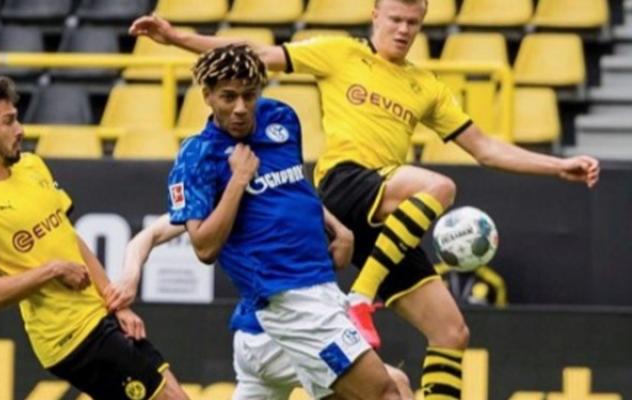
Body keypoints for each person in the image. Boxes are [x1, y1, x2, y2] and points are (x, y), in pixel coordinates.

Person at [129, 1, 601, 398]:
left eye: (413, 22)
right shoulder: (341, 53)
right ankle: (360, 296)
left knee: (451, 332)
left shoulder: (426, 87)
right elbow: (254, 55)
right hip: (346, 184)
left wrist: (557, 166)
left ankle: (362, 294)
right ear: (375, 15)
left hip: (387, 219)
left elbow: (487, 149)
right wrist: (176, 38)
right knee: (438, 187)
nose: (403, 30)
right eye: (395, 19)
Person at [164, 43, 400, 399]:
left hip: (316, 288)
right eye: (228, 97)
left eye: (249, 95)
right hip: (289, 301)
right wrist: (238, 181)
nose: (241, 108)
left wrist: (337, 228)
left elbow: (291, 187)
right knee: (385, 392)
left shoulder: (281, 118)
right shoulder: (198, 156)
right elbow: (204, 247)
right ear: (207, 96)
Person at [0, 75, 189, 400]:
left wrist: (116, 305)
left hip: (99, 314)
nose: (20, 129)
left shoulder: (32, 166)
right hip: (71, 338)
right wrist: (52, 270)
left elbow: (70, 238)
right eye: (9, 121)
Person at [106, 214, 416, 399]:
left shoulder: (286, 186)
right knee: (394, 384)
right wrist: (130, 277)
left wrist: (340, 230)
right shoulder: (220, 199)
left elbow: (334, 231)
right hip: (281, 337)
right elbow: (148, 235)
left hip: (253, 346)